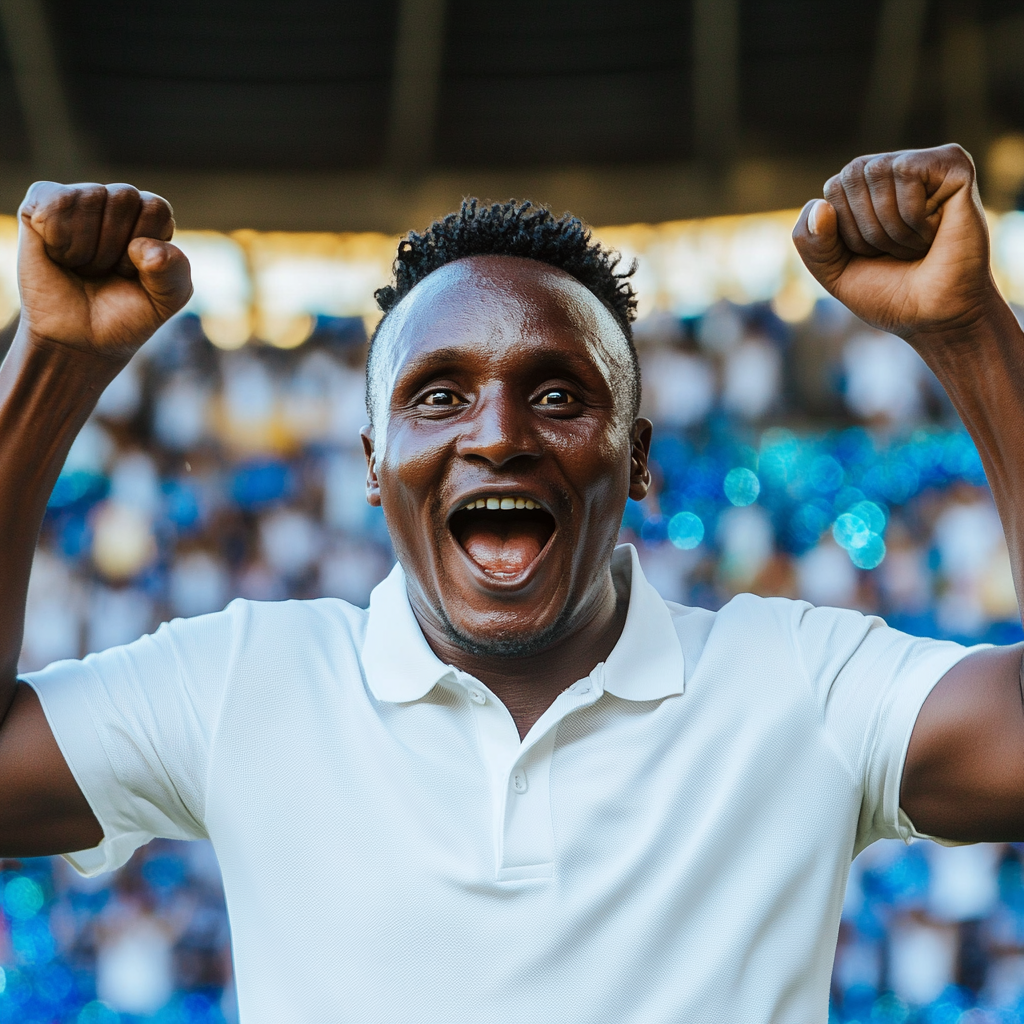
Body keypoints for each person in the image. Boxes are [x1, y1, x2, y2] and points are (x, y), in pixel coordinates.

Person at [0, 146, 1022, 1023]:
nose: (497, 434)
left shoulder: (797, 682)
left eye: (557, 393)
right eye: (438, 394)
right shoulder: (241, 681)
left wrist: (969, 330)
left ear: (634, 459)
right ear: (371, 460)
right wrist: (52, 360)